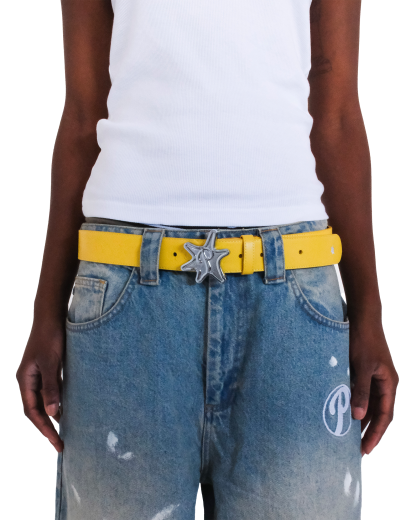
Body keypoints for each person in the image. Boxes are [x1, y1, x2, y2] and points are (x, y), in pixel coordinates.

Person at [17, 0, 398, 519]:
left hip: (292, 311)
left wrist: (370, 315)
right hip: (125, 304)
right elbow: (84, 116)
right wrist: (45, 314)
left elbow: (337, 118)